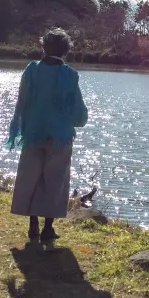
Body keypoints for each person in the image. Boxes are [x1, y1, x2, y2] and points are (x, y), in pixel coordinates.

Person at [6, 28, 88, 242]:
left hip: (33, 133)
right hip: (59, 137)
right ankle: (47, 229)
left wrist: (21, 126)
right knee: (55, 181)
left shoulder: (31, 70)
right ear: (66, 50)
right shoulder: (70, 75)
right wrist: (79, 121)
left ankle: (32, 225)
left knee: (31, 178)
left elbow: (22, 102)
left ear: (44, 47)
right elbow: (78, 110)